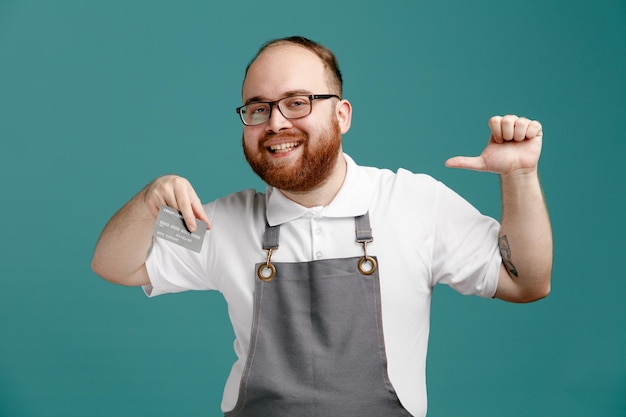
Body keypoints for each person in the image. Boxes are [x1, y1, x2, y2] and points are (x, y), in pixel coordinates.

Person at [92, 36, 552, 417]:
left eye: (297, 102)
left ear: (342, 114)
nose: (275, 123)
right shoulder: (223, 223)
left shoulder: (412, 202)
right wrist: (151, 199)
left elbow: (525, 281)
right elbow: (116, 266)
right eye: (258, 108)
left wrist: (520, 175)